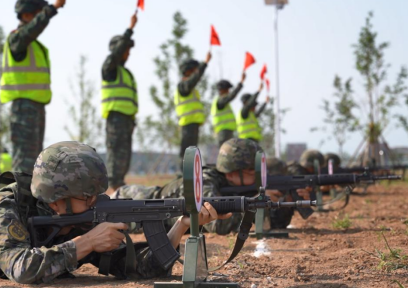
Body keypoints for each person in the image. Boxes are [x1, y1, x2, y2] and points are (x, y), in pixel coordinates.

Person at [0, 141, 230, 283]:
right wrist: (86, 244)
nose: (98, 200)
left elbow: (138, 269)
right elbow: (21, 268)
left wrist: (180, 228)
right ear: (59, 198)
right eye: (89, 195)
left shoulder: (78, 219)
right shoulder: (5, 206)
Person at [118, 138, 303, 235]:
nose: (258, 179)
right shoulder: (206, 181)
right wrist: (253, 203)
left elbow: (274, 224)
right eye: (251, 173)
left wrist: (286, 202)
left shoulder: (237, 186)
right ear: (232, 172)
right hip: (132, 202)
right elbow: (216, 224)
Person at [0, 0, 66, 174]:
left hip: (34, 107)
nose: (40, 18)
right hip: (24, 108)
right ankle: (19, 201)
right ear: (27, 15)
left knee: (34, 161)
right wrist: (52, 9)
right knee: (24, 164)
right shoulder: (18, 39)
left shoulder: (31, 44)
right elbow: (31, 30)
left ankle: (28, 200)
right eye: (38, 14)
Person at [102, 13, 139, 191]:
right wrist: (129, 30)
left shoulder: (127, 73)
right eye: (125, 49)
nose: (128, 53)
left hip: (126, 121)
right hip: (115, 119)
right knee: (115, 155)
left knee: (124, 156)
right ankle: (112, 188)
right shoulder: (110, 69)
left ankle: (119, 186)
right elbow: (115, 54)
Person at [175, 53, 212, 164]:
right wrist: (204, 63)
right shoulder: (183, 86)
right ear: (188, 71)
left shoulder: (190, 89)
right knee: (187, 152)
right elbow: (194, 79)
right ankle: (184, 176)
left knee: (191, 151)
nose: (196, 74)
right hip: (188, 123)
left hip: (193, 124)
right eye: (194, 71)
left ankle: (189, 176)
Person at [211, 74, 246, 147]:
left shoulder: (223, 103)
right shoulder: (220, 101)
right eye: (227, 89)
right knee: (225, 154)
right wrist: (241, 83)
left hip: (226, 131)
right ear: (221, 90)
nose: (228, 91)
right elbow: (231, 96)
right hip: (223, 132)